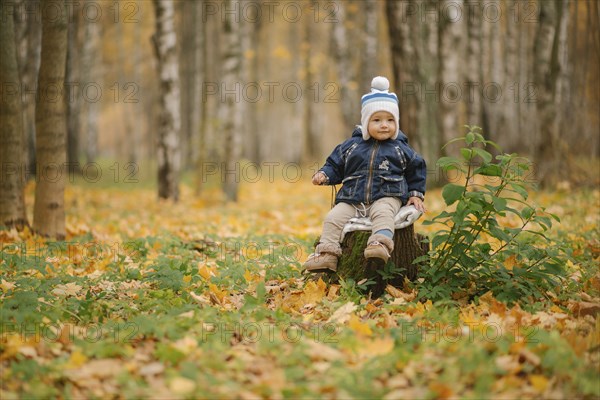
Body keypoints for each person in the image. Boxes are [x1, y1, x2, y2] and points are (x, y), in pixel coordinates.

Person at [303, 76, 427, 273]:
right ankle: (327, 254)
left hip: (387, 195)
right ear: (365, 122)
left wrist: (415, 193)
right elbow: (335, 165)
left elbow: (417, 169)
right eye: (377, 120)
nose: (384, 125)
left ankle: (380, 244)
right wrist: (324, 175)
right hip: (352, 198)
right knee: (333, 217)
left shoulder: (400, 149)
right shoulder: (351, 146)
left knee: (384, 214)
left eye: (390, 120)